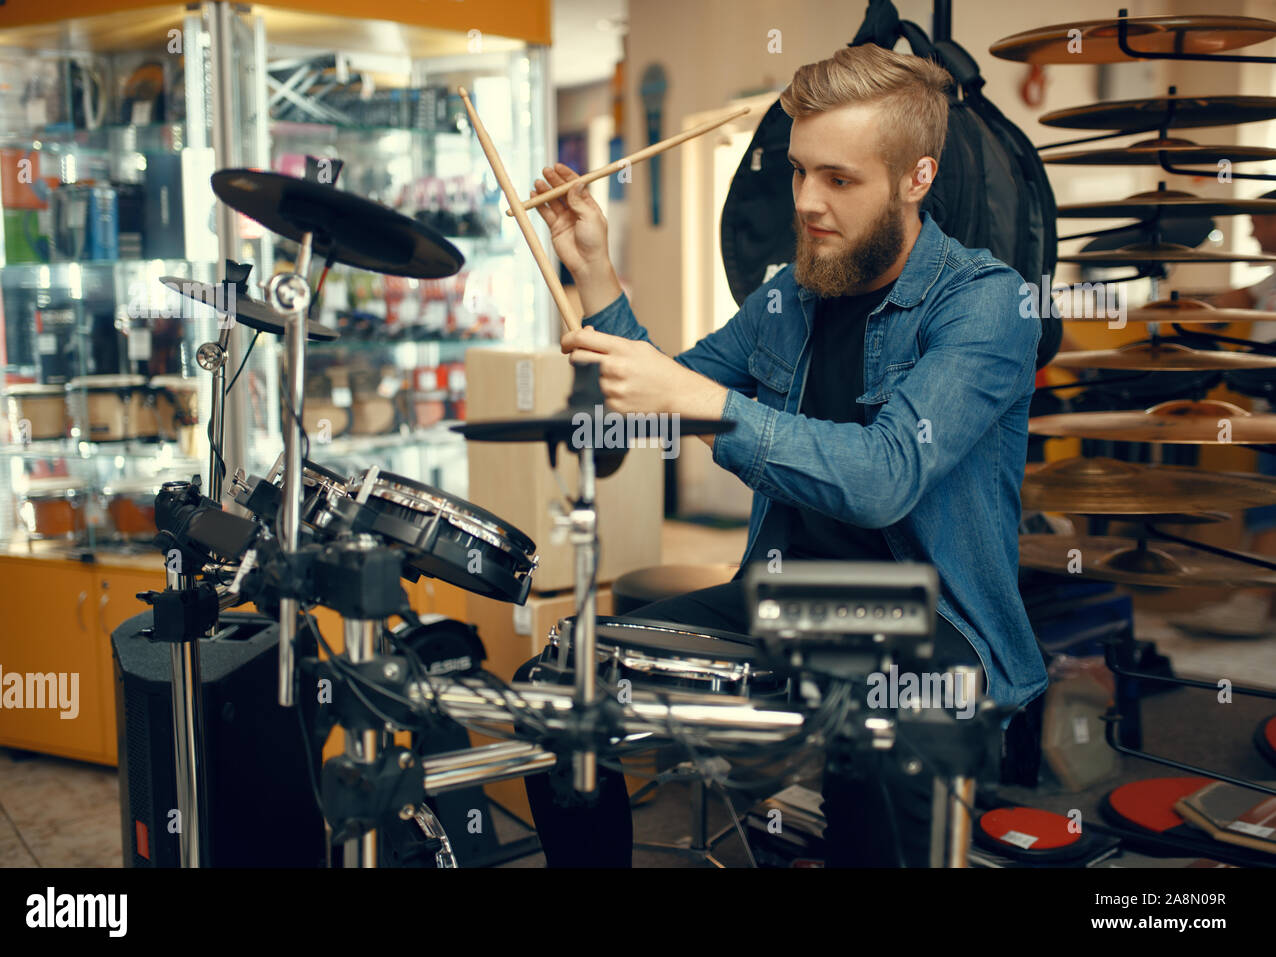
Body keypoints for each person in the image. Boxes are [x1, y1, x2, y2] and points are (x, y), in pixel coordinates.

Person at [515, 44, 1047, 867]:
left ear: (918, 178)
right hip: (784, 596)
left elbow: (884, 477)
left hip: (926, 618)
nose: (806, 201)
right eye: (799, 171)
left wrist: (704, 403)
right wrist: (592, 266)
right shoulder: (788, 293)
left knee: (879, 738)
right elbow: (666, 400)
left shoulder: (989, 305)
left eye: (839, 180)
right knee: (559, 683)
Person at [1174, 190, 1276, 636]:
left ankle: (1254, 600)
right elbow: (1223, 306)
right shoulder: (1270, 279)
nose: (1251, 230)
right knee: (1261, 494)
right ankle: (1256, 598)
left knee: (1268, 499)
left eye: (1258, 220)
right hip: (1265, 399)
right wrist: (1174, 308)